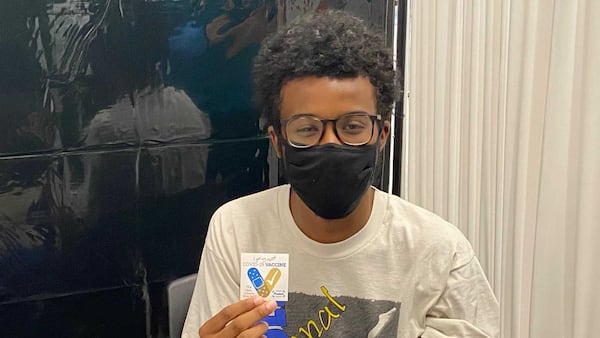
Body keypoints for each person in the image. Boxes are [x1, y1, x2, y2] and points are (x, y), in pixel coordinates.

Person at [182, 10, 499, 338]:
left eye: (352, 126)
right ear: (277, 140)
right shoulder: (238, 228)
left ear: (381, 136)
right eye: (307, 128)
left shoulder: (438, 251)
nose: (330, 143)